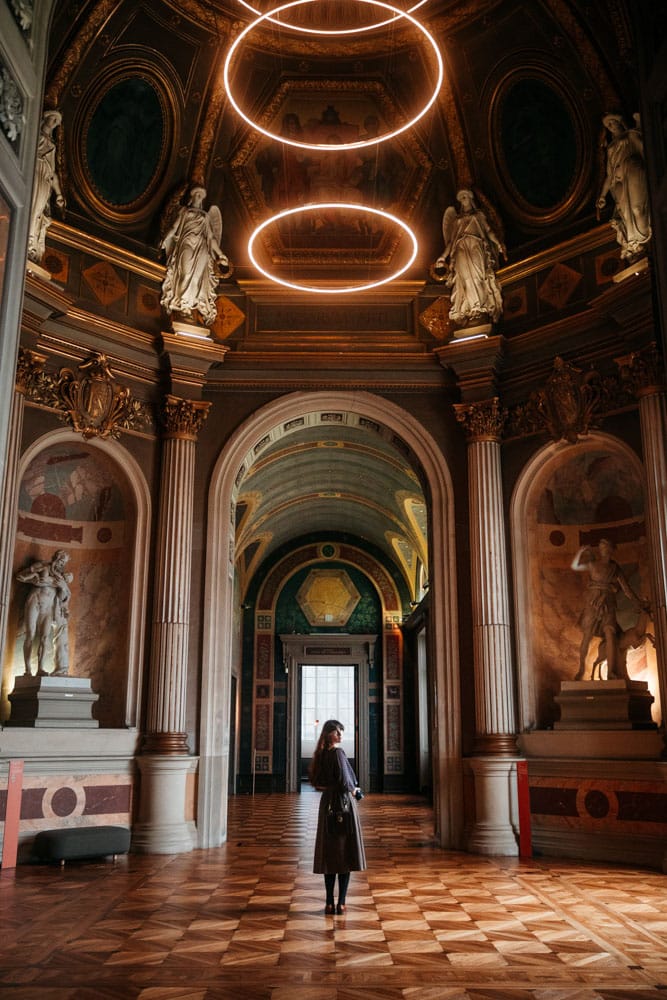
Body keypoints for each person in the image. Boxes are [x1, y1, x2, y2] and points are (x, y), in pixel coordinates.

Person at [308, 719, 366, 915]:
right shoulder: (338, 753)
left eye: (341, 731)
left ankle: (328, 902)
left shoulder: (319, 755)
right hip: (342, 804)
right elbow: (346, 781)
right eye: (336, 732)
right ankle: (341, 902)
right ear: (328, 734)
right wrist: (356, 792)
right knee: (345, 854)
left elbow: (316, 782)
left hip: (327, 806)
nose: (340, 735)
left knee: (329, 855)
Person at [571, 539, 647, 681]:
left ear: (611, 550)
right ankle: (581, 670)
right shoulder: (593, 564)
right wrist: (580, 552)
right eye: (601, 546)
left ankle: (612, 673)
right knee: (586, 637)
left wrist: (638, 603)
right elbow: (575, 566)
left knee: (610, 633)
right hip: (593, 603)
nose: (603, 549)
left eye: (606, 547)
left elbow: (626, 589)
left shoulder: (615, 568)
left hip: (609, 603)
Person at [436, 189, 506, 328]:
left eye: (465, 196)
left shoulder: (479, 215)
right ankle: (473, 309)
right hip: (461, 248)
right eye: (460, 198)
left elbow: (489, 231)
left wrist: (498, 244)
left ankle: (480, 307)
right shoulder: (456, 220)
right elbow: (451, 242)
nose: (462, 199)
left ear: (470, 198)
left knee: (478, 276)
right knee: (466, 278)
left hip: (476, 245)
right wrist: (443, 257)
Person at [160, 186, 228, 327]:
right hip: (186, 243)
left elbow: (211, 237)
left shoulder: (206, 216)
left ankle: (189, 308)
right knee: (185, 274)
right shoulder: (184, 211)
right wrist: (165, 239)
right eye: (196, 194)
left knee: (197, 277)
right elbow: (173, 227)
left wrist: (221, 254)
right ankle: (182, 303)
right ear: (191, 197)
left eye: (201, 195)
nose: (198, 196)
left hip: (201, 246)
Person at [597, 112, 651, 264]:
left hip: (633, 171)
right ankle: (635, 243)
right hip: (618, 184)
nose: (611, 126)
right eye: (608, 125)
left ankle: (644, 238)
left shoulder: (630, 136)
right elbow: (609, 175)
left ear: (620, 122)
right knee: (626, 217)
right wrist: (602, 195)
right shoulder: (611, 148)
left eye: (612, 122)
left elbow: (645, 149)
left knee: (637, 210)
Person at [16, 549, 73, 677]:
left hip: (48, 608)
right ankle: (27, 670)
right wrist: (34, 579)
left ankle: (40, 668)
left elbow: (64, 597)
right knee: (30, 635)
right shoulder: (43, 566)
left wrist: (63, 587)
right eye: (60, 560)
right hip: (34, 602)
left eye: (64, 562)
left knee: (45, 638)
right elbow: (21, 576)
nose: (61, 564)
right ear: (56, 559)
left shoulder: (61, 578)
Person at [28, 110, 65, 264]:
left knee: (37, 211)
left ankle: (30, 241)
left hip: (45, 180)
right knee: (30, 207)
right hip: (34, 172)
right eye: (52, 119)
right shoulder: (35, 137)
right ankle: (26, 237)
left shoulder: (52, 145)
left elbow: (53, 174)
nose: (53, 123)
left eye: (55, 121)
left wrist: (59, 194)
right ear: (45, 119)